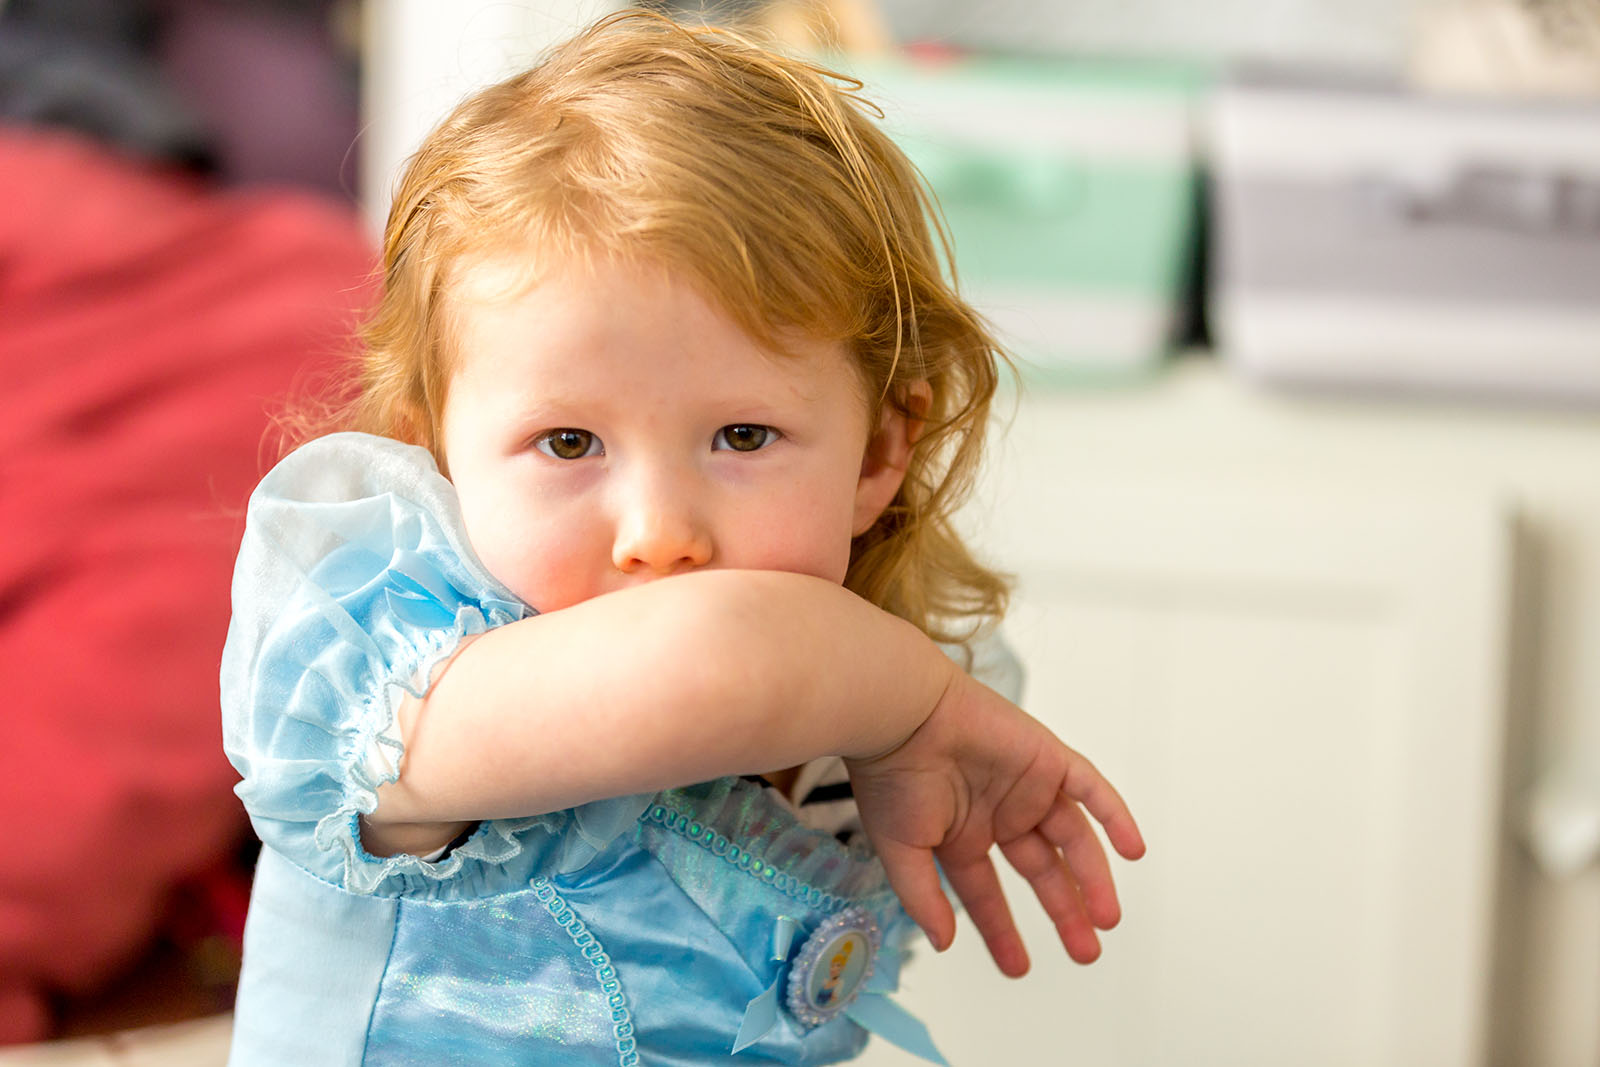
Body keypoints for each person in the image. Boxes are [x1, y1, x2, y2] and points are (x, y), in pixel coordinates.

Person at [220, 10, 1144, 1065]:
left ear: (882, 450)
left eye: (741, 435)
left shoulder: (886, 719)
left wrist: (904, 699)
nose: (659, 535)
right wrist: (909, 700)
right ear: (437, 454)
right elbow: (720, 662)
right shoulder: (400, 672)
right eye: (568, 440)